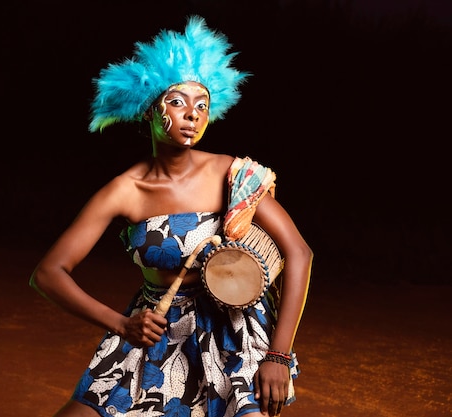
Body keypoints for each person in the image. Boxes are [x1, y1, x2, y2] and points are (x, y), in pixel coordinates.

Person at [31, 15, 313, 417]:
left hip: (231, 336)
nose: (192, 114)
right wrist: (121, 324)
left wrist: (279, 355)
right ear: (150, 110)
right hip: (154, 332)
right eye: (178, 102)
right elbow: (48, 273)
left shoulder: (233, 175)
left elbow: (299, 253)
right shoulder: (124, 191)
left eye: (202, 105)